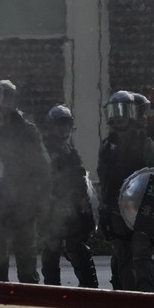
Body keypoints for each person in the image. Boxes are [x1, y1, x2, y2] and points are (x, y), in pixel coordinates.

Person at [0, 79, 51, 283]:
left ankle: (27, 304)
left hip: (23, 202)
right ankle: (0, 302)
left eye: (5, 99)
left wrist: (42, 197)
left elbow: (42, 165)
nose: (0, 105)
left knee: (27, 260)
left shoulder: (27, 130)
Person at [97, 90, 154, 292]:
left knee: (141, 252)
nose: (119, 116)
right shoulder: (107, 146)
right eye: (116, 111)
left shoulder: (144, 143)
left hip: (141, 207)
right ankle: (126, 297)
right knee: (122, 254)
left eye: (124, 110)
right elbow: (104, 178)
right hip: (116, 207)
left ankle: (147, 296)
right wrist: (103, 207)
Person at [39, 105, 98, 287]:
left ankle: (88, 288)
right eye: (60, 125)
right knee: (52, 251)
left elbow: (77, 177)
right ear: (51, 126)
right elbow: (45, 178)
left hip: (71, 206)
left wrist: (84, 202)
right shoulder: (46, 150)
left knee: (76, 248)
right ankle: (53, 291)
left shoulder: (67, 148)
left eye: (67, 124)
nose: (64, 129)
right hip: (53, 206)